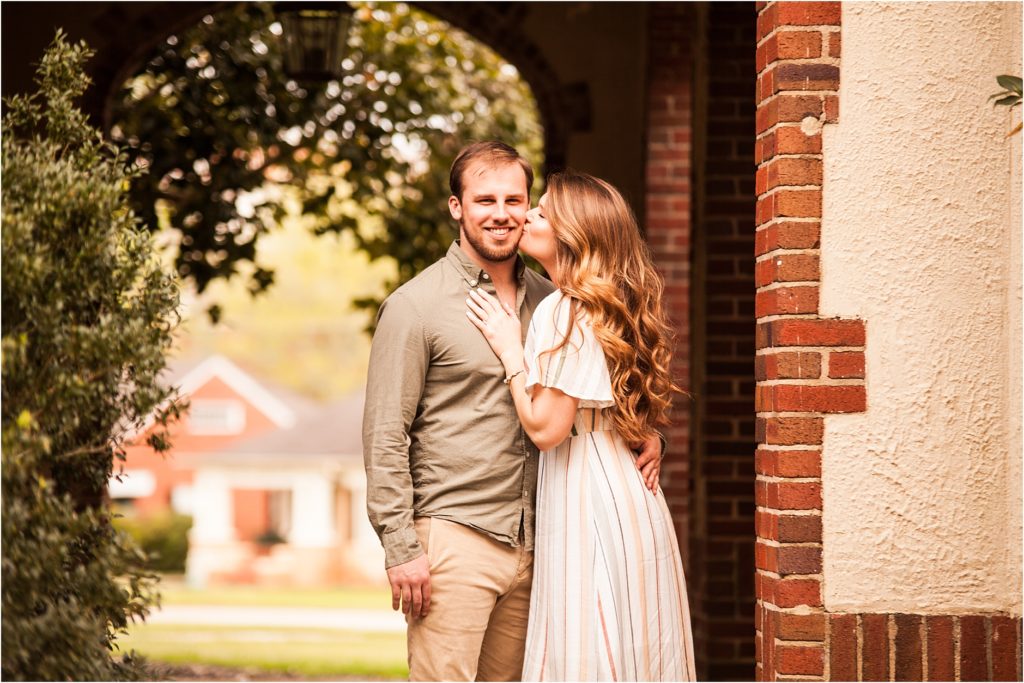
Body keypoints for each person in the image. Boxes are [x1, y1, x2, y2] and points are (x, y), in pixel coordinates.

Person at [362, 142, 664, 682]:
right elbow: (386, 435)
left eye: (514, 200)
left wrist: (639, 433)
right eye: (484, 200)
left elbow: (595, 386)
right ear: (457, 208)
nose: (500, 214)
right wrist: (400, 546)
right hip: (456, 536)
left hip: (544, 540)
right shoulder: (416, 306)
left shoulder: (555, 300)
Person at [465, 169, 696, 682]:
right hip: (632, 498)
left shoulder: (562, 310)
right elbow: (621, 408)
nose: (525, 215)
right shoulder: (612, 305)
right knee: (632, 640)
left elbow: (546, 429)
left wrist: (510, 350)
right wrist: (648, 435)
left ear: (574, 234)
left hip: (586, 495)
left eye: (541, 212)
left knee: (589, 641)